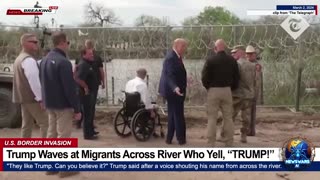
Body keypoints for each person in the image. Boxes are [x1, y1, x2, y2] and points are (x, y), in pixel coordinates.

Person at [40, 32, 81, 178]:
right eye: (68, 42)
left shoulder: (44, 60)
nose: (68, 45)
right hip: (63, 105)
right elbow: (69, 88)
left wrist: (44, 101)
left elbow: (42, 83)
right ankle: (65, 168)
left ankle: (51, 166)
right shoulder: (63, 62)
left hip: (50, 104)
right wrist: (77, 108)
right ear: (63, 42)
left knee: (52, 134)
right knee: (64, 136)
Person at [201, 39, 240, 147]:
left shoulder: (210, 60)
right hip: (227, 90)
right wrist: (231, 88)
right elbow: (237, 77)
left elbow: (204, 76)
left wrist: (208, 87)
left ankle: (211, 143)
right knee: (228, 117)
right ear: (225, 48)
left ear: (215, 48)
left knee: (212, 118)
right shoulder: (232, 60)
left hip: (213, 90)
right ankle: (229, 141)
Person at [12, 33, 48, 138]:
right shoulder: (28, 60)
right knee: (46, 123)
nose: (37, 44)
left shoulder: (20, 58)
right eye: (34, 42)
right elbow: (34, 81)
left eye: (37, 41)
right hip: (32, 99)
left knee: (27, 125)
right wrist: (41, 99)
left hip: (24, 98)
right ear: (24, 44)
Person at [221, 45, 256, 143]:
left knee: (230, 115)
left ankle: (225, 134)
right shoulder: (252, 66)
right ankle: (243, 135)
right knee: (246, 117)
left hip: (237, 94)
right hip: (249, 95)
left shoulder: (235, 64)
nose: (232, 55)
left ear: (240, 52)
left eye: (234, 53)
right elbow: (255, 81)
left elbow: (232, 80)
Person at [159, 38, 188, 145]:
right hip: (173, 91)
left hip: (175, 90)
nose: (185, 48)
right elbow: (169, 75)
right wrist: (175, 87)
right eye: (183, 46)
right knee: (178, 114)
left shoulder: (176, 56)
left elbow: (177, 73)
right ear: (176, 46)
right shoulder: (171, 58)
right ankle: (181, 139)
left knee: (172, 114)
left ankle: (169, 138)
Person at [74, 48, 100, 140]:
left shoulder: (88, 63)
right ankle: (87, 135)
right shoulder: (83, 64)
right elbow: (77, 78)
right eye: (90, 54)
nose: (92, 55)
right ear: (84, 55)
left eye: (92, 54)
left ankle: (91, 131)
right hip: (85, 93)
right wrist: (85, 87)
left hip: (91, 92)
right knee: (87, 113)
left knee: (90, 112)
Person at [245, 45, 262, 136]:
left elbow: (257, 81)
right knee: (248, 111)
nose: (249, 56)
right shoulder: (249, 64)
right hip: (248, 91)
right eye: (248, 54)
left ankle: (250, 130)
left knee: (250, 111)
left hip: (252, 91)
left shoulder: (256, 65)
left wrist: (255, 93)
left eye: (251, 54)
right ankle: (250, 130)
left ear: (254, 55)